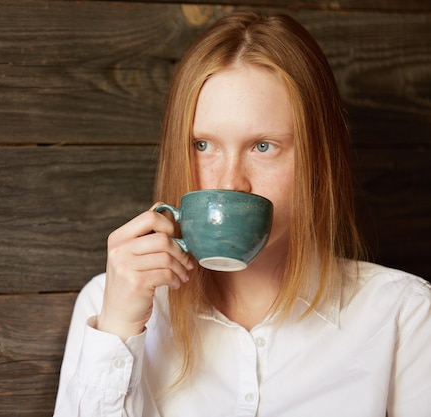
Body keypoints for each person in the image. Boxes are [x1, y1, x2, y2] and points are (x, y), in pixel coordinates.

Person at [53, 12, 431, 417]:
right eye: (203, 145)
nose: (230, 182)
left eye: (263, 147)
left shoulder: (404, 317)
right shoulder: (106, 306)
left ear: (319, 160)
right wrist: (118, 333)